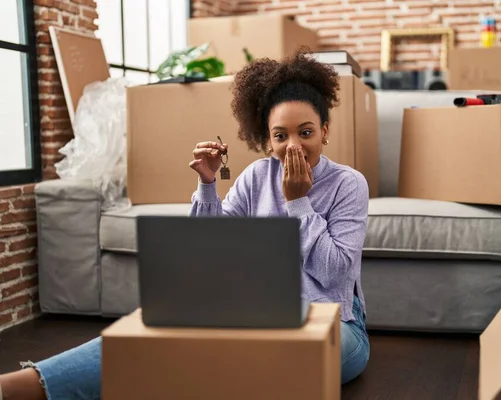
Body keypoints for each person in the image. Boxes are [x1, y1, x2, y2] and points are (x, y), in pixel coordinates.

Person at [0, 49, 370, 400]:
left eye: (305, 132)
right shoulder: (257, 177)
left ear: (325, 130)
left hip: (335, 327)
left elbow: (335, 276)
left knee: (234, 358)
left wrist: (297, 201)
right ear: (266, 140)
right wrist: (208, 185)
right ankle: (24, 386)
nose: (293, 145)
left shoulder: (348, 184)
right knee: (156, 326)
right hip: (255, 314)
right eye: (280, 135)